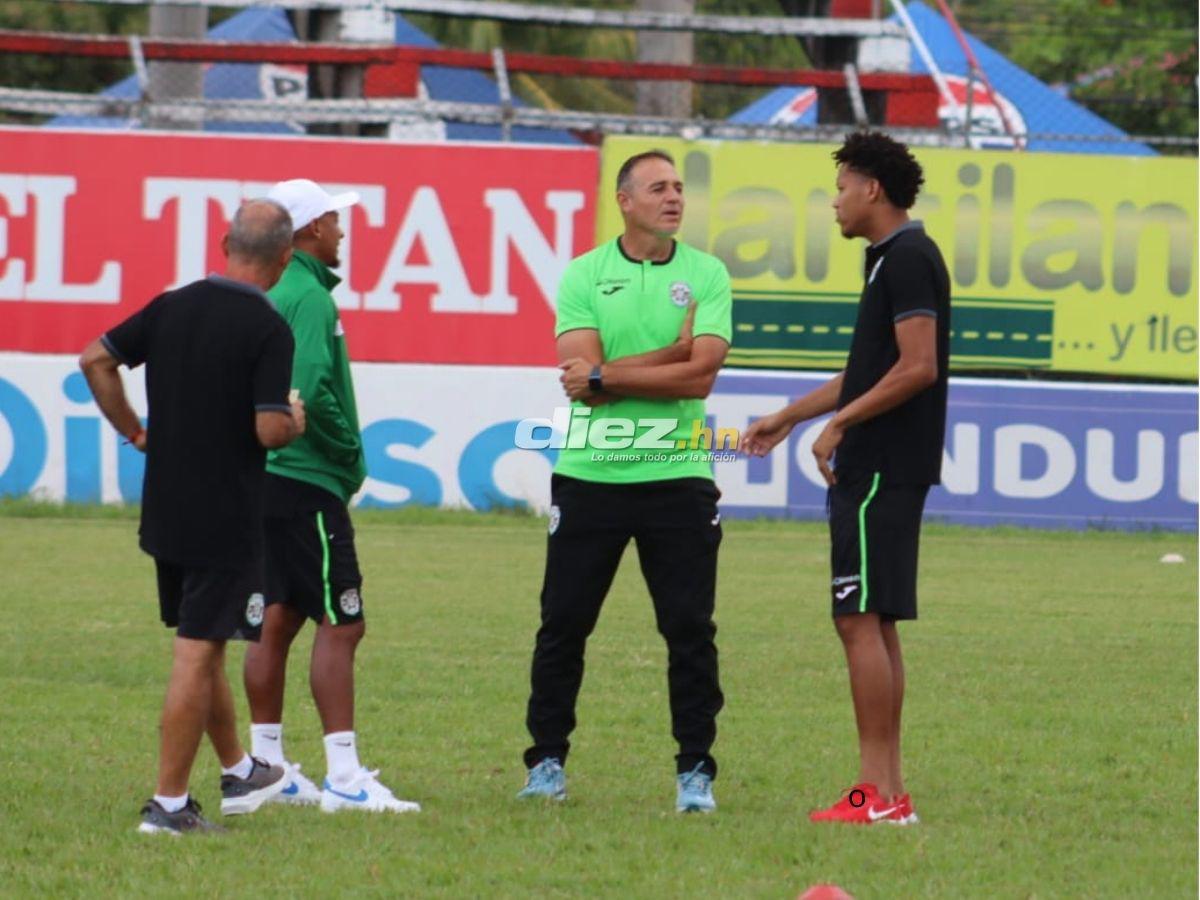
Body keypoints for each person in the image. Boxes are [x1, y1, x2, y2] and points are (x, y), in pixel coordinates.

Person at [740, 131, 950, 825]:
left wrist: (839, 427)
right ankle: (889, 794)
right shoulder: (890, 259)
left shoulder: (908, 258)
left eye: (841, 187)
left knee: (856, 619)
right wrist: (792, 416)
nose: (834, 202)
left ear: (872, 190)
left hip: (880, 465)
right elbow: (870, 371)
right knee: (876, 622)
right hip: (887, 463)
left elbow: (918, 366)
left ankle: (873, 795)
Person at [78, 199, 306, 835]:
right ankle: (169, 806)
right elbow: (267, 430)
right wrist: (294, 419)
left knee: (203, 647)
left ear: (224, 243)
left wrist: (134, 431)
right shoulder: (268, 329)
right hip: (225, 518)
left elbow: (94, 359)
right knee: (195, 654)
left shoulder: (171, 305)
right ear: (285, 260)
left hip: (167, 514)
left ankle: (239, 770)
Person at [518, 150, 732, 813]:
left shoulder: (707, 273)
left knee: (689, 629)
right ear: (627, 201)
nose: (674, 197)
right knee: (564, 625)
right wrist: (670, 353)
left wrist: (614, 375)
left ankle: (695, 769)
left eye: (678, 187)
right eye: (658, 188)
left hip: (680, 474)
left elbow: (698, 377)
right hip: (590, 475)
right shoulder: (586, 272)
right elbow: (581, 384)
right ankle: (546, 763)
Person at [241, 178, 420, 815]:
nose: (343, 231)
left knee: (279, 617)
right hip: (306, 476)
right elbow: (312, 390)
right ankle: (344, 776)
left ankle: (268, 769)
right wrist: (349, 454)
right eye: (336, 221)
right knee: (344, 622)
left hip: (264, 477)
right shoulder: (310, 298)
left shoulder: (269, 291)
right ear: (311, 230)